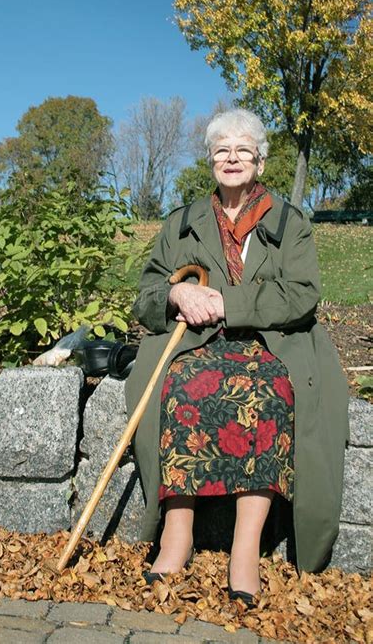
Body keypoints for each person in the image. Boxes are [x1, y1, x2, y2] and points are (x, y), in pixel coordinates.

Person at [125, 108, 349, 605]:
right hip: (197, 343)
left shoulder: (291, 223)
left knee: (267, 392)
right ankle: (176, 533)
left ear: (260, 162)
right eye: (221, 149)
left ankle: (245, 550)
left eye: (243, 149)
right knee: (179, 385)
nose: (232, 157)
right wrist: (175, 295)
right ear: (211, 161)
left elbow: (302, 294)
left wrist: (230, 302)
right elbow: (145, 293)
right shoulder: (182, 222)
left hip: (270, 343)